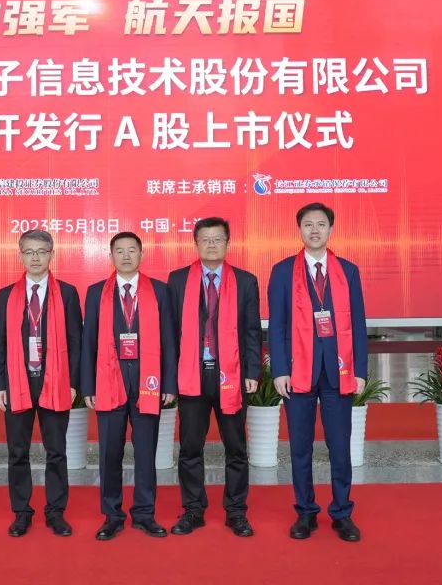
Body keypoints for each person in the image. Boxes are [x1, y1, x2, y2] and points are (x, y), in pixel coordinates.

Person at [267, 202, 368, 543]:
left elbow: (358, 323)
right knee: (300, 447)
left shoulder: (348, 271)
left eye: (321, 224)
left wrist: (360, 370)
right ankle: (306, 512)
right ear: (299, 229)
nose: (314, 230)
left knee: (340, 445)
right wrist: (280, 370)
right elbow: (277, 325)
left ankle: (342, 512)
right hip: (298, 371)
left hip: (338, 371)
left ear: (330, 230)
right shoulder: (283, 272)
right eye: (308, 224)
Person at [167, 217, 261, 538]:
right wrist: (170, 379)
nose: (211, 245)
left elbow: (251, 331)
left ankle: (236, 512)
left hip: (231, 375)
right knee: (190, 448)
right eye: (205, 239)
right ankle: (193, 510)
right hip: (192, 375)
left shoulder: (245, 282)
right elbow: (170, 334)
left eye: (217, 239)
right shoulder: (178, 280)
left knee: (236, 448)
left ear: (227, 243)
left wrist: (252, 371)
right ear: (196, 243)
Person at [81, 232, 177, 540]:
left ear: (141, 255)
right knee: (110, 452)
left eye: (131, 250)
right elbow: (88, 340)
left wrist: (169, 383)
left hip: (148, 381)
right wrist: (88, 386)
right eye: (119, 251)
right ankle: (112, 515)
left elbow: (169, 339)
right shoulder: (97, 292)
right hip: (109, 381)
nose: (125, 256)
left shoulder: (159, 291)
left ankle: (145, 514)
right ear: (110, 256)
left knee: (146, 451)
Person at [0, 229, 82, 538]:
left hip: (55, 379)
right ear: (20, 256)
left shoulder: (67, 293)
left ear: (51, 255)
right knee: (17, 451)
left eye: (41, 251)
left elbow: (76, 341)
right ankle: (22, 512)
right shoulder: (6, 295)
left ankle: (56, 512)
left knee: (56, 450)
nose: (35, 258)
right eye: (29, 252)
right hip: (17, 380)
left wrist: (73, 382)